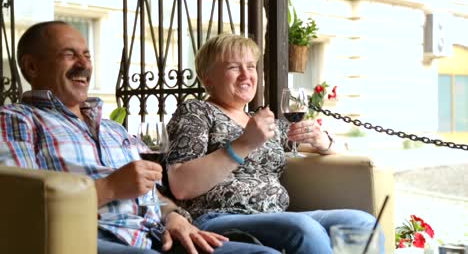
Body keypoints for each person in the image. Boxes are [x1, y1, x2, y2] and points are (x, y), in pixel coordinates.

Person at [0, 21, 280, 254]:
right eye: (69, 54)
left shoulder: (114, 129)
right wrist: (109, 187)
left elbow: (155, 193)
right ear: (32, 66)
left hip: (158, 235)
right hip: (93, 239)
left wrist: (173, 216)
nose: (84, 64)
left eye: (87, 55)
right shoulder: (17, 120)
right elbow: (21, 208)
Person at [165, 33, 382, 254]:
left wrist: (322, 140)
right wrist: (244, 144)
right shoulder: (196, 112)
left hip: (275, 215)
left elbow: (340, 149)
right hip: (217, 217)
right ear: (207, 78)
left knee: (362, 223)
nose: (246, 75)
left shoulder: (262, 122)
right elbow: (181, 185)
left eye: (250, 66)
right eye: (233, 67)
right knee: (304, 229)